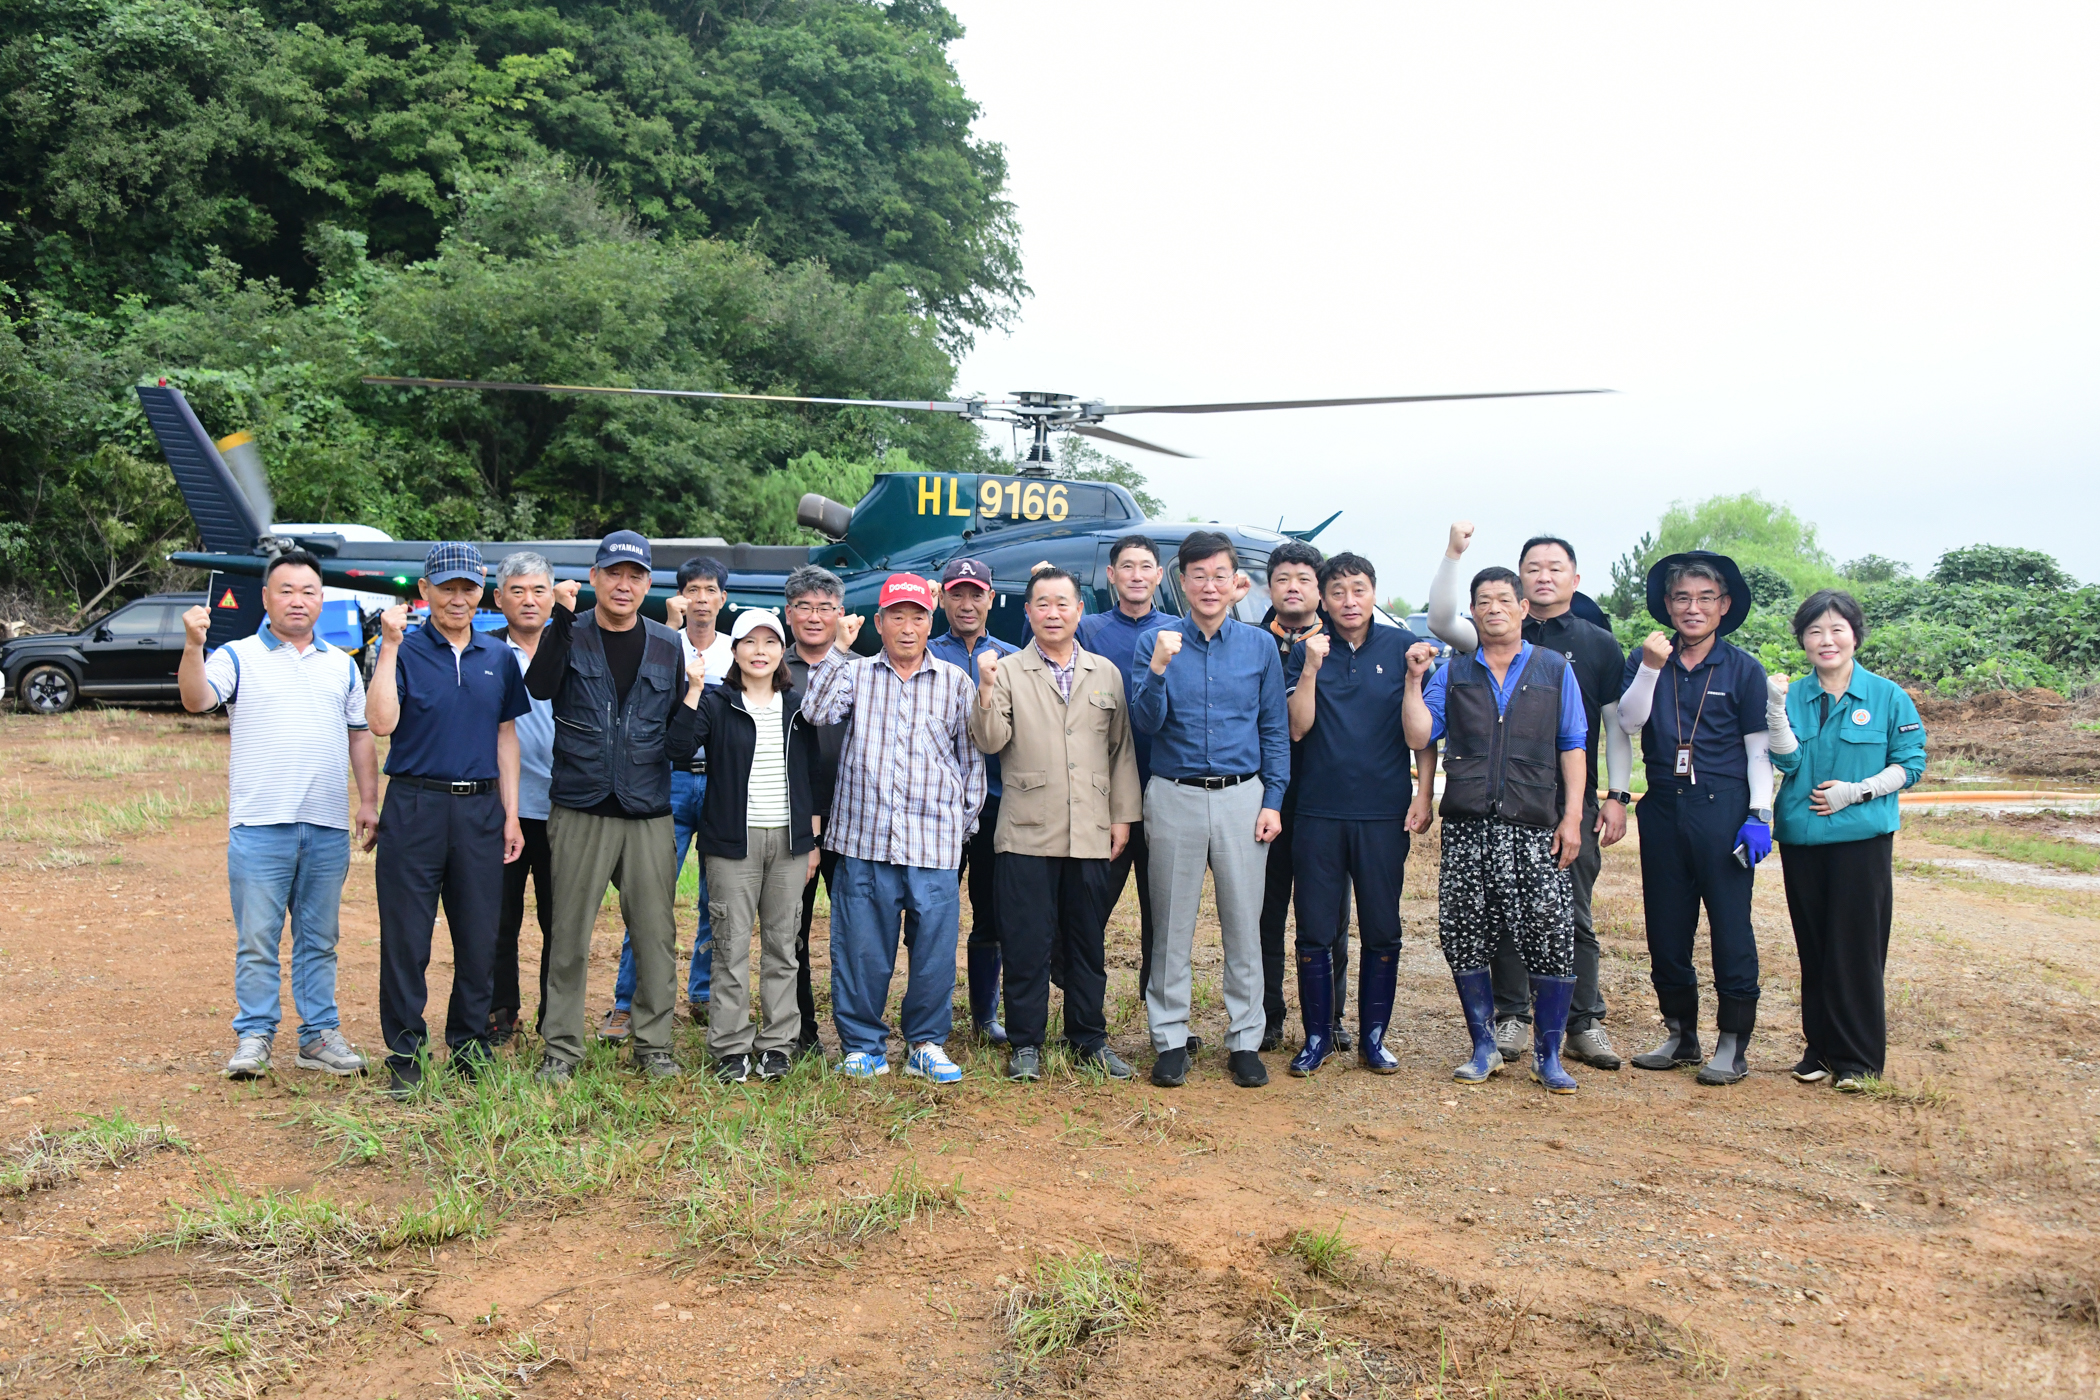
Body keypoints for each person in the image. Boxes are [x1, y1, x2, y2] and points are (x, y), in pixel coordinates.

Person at [1428, 525, 1635, 1069]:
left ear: (1574, 578)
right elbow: (1440, 621)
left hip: (1562, 805)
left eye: (1554, 568)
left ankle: (1582, 1024)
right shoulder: (1476, 645)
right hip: (1486, 807)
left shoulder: (1594, 643)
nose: (1544, 577)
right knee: (1491, 919)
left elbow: (1607, 729)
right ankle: (1511, 1018)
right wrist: (1454, 553)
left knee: (1567, 918)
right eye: (1533, 568)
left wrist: (1611, 796)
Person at [179, 549, 378, 1080]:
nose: (297, 600)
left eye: (308, 591)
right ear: (266, 598)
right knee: (258, 939)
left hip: (326, 825)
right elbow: (197, 699)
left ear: (321, 600)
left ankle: (318, 1036)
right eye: (285, 590)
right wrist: (194, 646)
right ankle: (254, 1036)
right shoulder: (236, 656)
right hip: (259, 824)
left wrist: (368, 801)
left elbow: (360, 737)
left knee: (320, 939)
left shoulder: (342, 664)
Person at [1403, 566, 1589, 1093]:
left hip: (1534, 826)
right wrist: (1414, 681)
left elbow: (1573, 744)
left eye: (1504, 600)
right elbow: (1419, 735)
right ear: (1472, 612)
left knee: (1551, 933)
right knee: (1463, 933)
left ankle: (1548, 1056)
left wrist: (1572, 817)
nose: (1493, 609)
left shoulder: (1554, 668)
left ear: (1523, 608)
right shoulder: (1454, 672)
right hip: (1469, 826)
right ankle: (1483, 1047)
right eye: (1483, 601)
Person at [801, 572, 986, 1082]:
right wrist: (838, 649)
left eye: (917, 617)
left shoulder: (955, 681)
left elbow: (971, 761)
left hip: (934, 842)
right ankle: (863, 1046)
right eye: (897, 617)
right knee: (861, 950)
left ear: (930, 621)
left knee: (933, 955)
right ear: (879, 622)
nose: (907, 628)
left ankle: (926, 1043)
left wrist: (960, 826)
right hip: (865, 839)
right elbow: (815, 711)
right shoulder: (855, 673)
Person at [525, 531, 695, 1082]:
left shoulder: (667, 644)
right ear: (595, 577)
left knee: (655, 936)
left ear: (648, 585)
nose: (624, 585)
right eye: (614, 573)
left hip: (647, 808)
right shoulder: (568, 631)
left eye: (636, 576)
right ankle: (561, 1048)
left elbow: (674, 723)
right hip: (581, 804)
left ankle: (654, 1045)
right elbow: (540, 685)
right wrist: (558, 619)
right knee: (569, 935)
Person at [365, 543, 529, 1097]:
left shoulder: (497, 655)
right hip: (415, 804)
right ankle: (404, 1053)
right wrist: (389, 647)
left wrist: (511, 814)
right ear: (425, 591)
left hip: (481, 807)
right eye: (447, 588)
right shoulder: (404, 650)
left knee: (479, 934)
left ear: (482, 592)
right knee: (406, 937)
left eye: (468, 588)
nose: (458, 598)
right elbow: (380, 723)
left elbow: (506, 737)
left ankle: (468, 1044)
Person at [967, 566, 1142, 1082]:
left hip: (1090, 828)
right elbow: (989, 741)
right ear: (1028, 612)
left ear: (1079, 610)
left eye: (1063, 603)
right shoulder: (1007, 671)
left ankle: (1089, 1038)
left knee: (1087, 942)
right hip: (1027, 829)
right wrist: (984, 688)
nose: (1053, 613)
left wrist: (1122, 817)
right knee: (1026, 943)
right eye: (1042, 604)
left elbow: (1121, 751)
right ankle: (1026, 1043)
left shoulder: (1105, 673)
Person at [1129, 531, 1289, 1090]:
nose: (1209, 585)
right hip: (1174, 794)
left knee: (1244, 924)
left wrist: (1273, 800)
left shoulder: (1259, 646)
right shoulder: (1156, 640)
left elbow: (1273, 728)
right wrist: (1157, 668)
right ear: (1182, 581)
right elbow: (1145, 723)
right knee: (1171, 925)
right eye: (1198, 575)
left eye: (1220, 575)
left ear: (1235, 580)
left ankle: (1245, 1039)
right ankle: (1170, 1038)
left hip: (1243, 796)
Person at [1616, 551, 1775, 1087]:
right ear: (1667, 604)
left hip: (1722, 805)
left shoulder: (1743, 669)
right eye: (1682, 597)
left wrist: (1759, 815)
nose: (1693, 608)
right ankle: (1681, 1033)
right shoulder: (1647, 660)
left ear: (1724, 605)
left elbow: (1758, 751)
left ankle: (1733, 1042)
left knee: (1730, 927)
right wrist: (1649, 668)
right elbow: (1629, 721)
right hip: (1663, 805)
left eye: (1706, 598)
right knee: (1665, 926)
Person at [1766, 589, 1926, 1092]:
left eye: (1837, 629)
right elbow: (1788, 760)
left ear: (1855, 635)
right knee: (1813, 945)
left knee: (1856, 946)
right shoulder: (1792, 695)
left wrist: (1859, 791)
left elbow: (1911, 763)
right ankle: (1819, 1049)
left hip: (1861, 840)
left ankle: (1858, 1060)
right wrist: (1775, 710)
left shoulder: (1887, 696)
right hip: (1802, 837)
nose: (1827, 640)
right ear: (1803, 640)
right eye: (1815, 631)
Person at [1284, 552, 1437, 1075]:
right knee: (1314, 930)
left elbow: (1420, 736)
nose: (1349, 601)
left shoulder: (1403, 648)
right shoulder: (1307, 649)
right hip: (1318, 810)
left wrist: (1423, 795)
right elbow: (1297, 727)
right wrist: (1310, 668)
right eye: (1338, 592)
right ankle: (1318, 1036)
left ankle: (1374, 1037)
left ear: (1374, 593)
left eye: (1359, 590)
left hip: (1382, 812)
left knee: (1381, 927)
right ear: (1322, 600)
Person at [669, 610, 823, 1084]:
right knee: (730, 947)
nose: (760, 651)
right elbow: (677, 749)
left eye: (770, 642)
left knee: (783, 946)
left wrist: (812, 840)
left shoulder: (798, 706)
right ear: (734, 651)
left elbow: (813, 774)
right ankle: (731, 1047)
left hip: (790, 843)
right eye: (749, 642)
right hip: (732, 842)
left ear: (782, 651)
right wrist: (693, 689)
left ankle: (777, 1045)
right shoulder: (717, 702)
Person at [605, 556, 734, 1040]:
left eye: (710, 590)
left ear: (722, 598)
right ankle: (626, 1002)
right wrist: (669, 627)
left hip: (721, 784)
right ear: (679, 596)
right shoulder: (658, 644)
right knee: (649, 894)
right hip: (668, 781)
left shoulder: (736, 651)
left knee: (716, 898)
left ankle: (703, 995)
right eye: (692, 589)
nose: (701, 599)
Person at [1073, 535, 1172, 1035]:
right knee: (1087, 909)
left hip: (1166, 791)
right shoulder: (1087, 630)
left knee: (1164, 918)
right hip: (1104, 797)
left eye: (1145, 566)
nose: (1136, 575)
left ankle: (1163, 1019)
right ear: (1110, 576)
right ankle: (1082, 1013)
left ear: (1159, 575)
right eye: (1126, 566)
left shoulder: (1176, 632)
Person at [1255, 540, 1349, 1054]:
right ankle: (1266, 1015)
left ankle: (1329, 1018)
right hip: (1265, 800)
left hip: (1326, 800)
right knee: (1263, 915)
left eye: (1304, 579)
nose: (1293, 588)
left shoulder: (1343, 644)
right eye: (1282, 578)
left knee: (1329, 918)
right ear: (1268, 587)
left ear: (1319, 588)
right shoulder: (1250, 642)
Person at [927, 557, 1019, 1044]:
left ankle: (985, 1016)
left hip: (996, 804)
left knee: (992, 913)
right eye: (957, 594)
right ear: (942, 597)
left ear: (991, 598)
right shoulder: (923, 653)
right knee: (933, 912)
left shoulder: (1013, 658)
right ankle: (930, 1011)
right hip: (935, 808)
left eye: (975, 594)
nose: (966, 604)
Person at [489, 552, 558, 1045]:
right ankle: (500, 1014)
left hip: (564, 810)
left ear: (552, 596)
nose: (528, 600)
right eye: (517, 590)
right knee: (499, 919)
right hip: (503, 810)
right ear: (499, 598)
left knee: (561, 922)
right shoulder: (486, 652)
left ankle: (555, 1018)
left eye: (538, 590)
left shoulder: (573, 649)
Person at [782, 565, 850, 1060]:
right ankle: (800, 1032)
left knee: (854, 932)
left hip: (851, 821)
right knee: (792, 933)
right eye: (804, 606)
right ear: (789, 613)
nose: (813, 616)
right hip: (791, 821)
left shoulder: (861, 669)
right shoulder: (770, 666)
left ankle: (857, 1034)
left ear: (839, 614)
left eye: (824, 607)